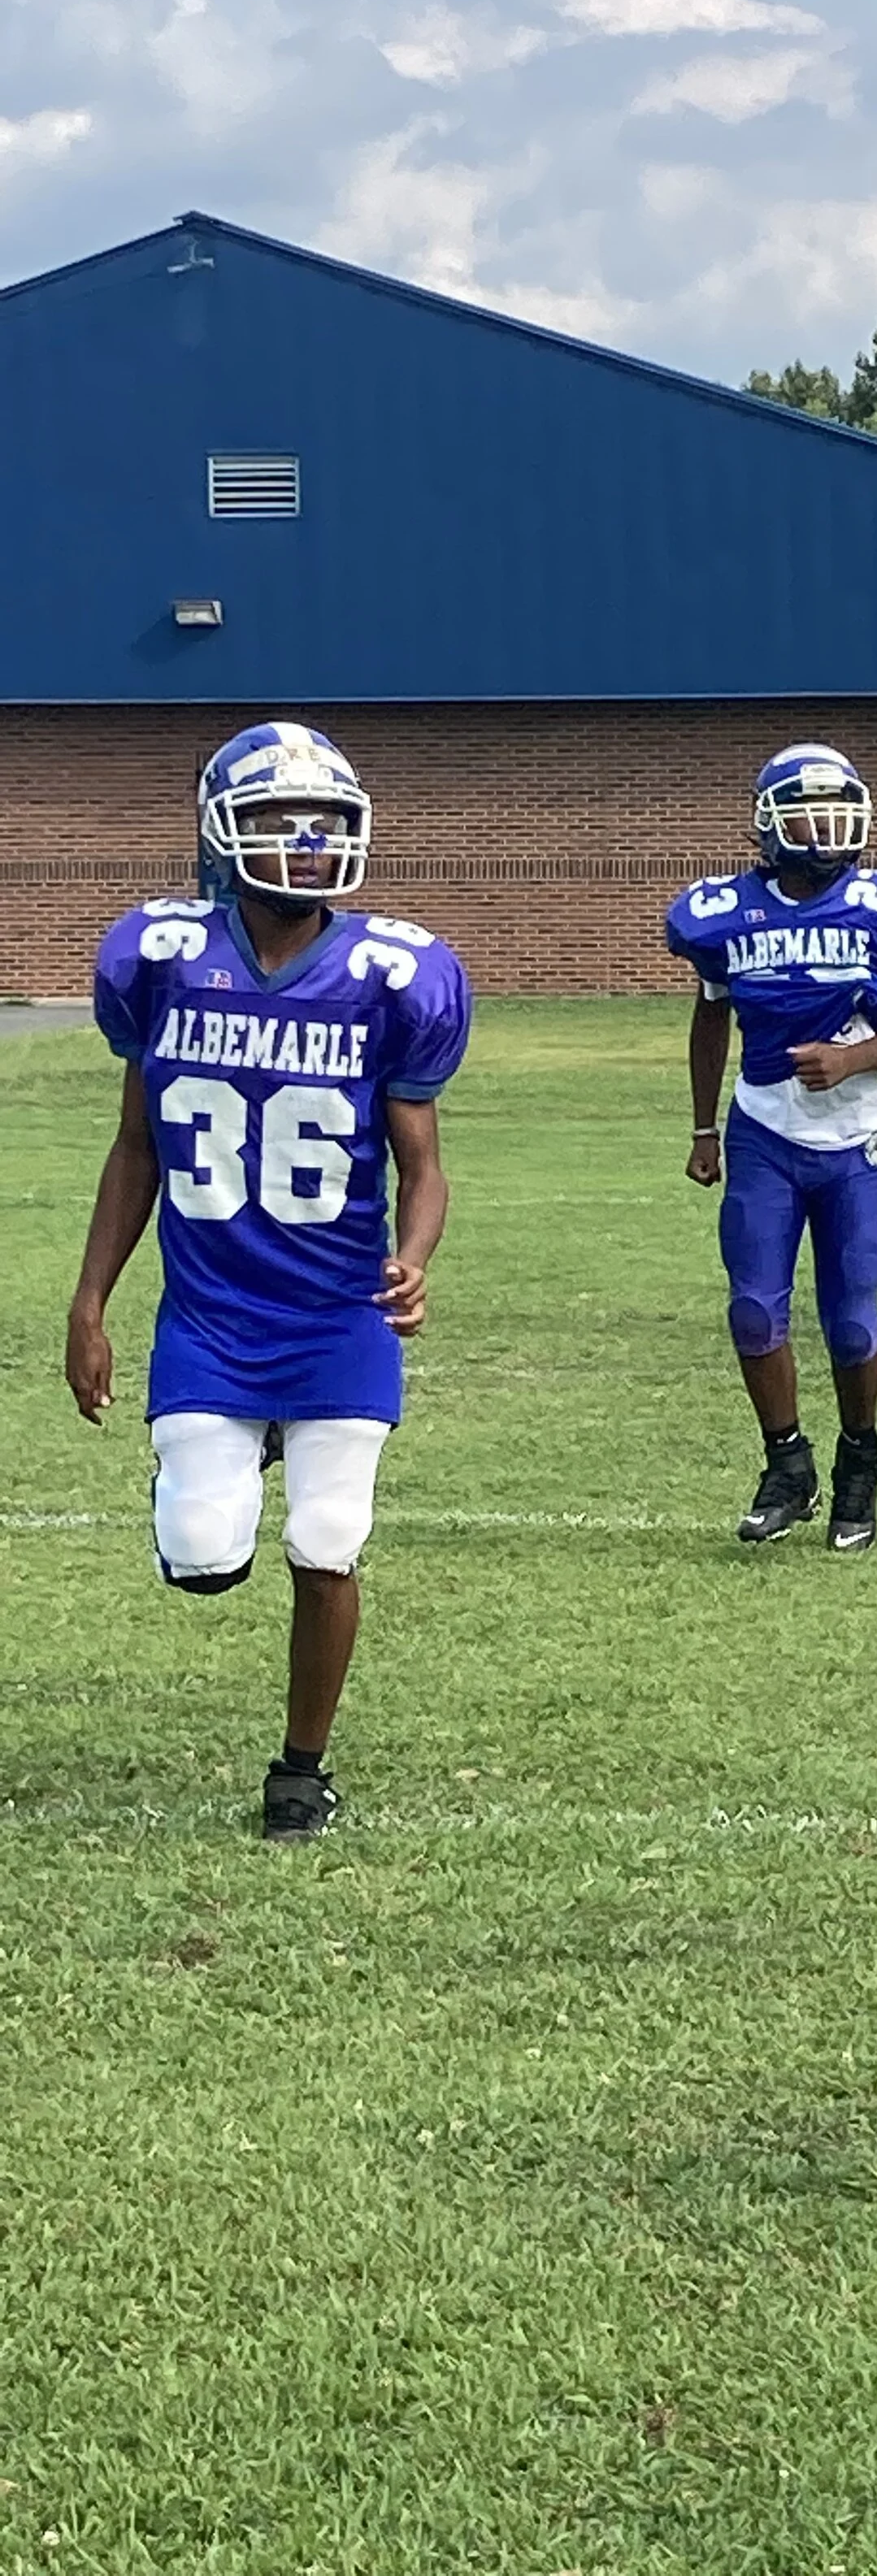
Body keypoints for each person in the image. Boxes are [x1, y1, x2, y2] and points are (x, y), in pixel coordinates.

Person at [65, 722, 471, 1843]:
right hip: (212, 1313)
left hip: (339, 1312)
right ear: (219, 832)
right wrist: (90, 1302)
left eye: (324, 824)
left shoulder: (396, 976)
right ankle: (237, 1454)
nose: (305, 843)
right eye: (277, 823)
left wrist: (414, 1259)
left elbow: (425, 1168)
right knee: (205, 1560)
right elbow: (138, 1147)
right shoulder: (158, 958)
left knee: (328, 1540)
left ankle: (302, 1767)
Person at [670, 742, 877, 1550]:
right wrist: (704, 1126)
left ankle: (859, 1460)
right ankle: (787, 1462)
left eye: (837, 815)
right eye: (808, 817)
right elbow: (711, 1015)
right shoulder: (722, 912)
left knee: (851, 1320)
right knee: (754, 1309)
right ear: (768, 823)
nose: (827, 832)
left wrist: (851, 1060)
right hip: (763, 1128)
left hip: (854, 1135)